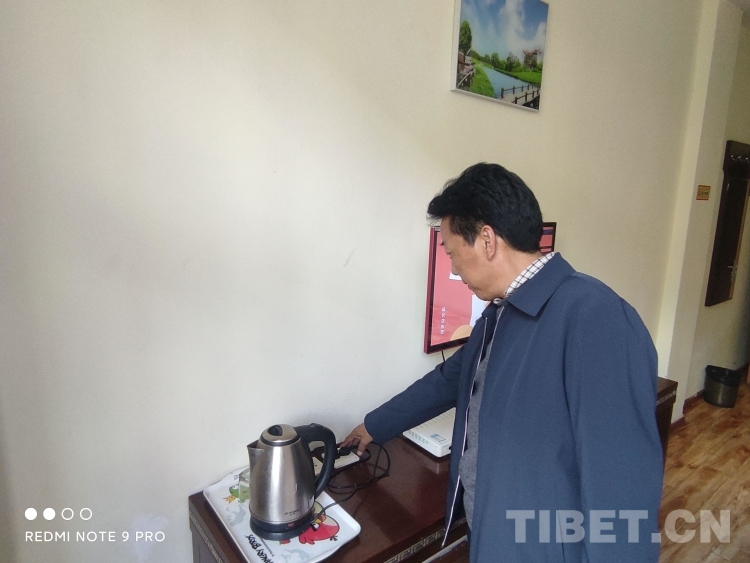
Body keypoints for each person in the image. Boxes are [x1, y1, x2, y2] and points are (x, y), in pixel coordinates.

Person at [342, 163, 663, 562]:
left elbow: (623, 492)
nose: (453, 268)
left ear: (487, 240)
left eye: (452, 253)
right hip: (492, 535)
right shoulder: (501, 314)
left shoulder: (595, 318)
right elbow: (448, 380)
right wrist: (374, 426)